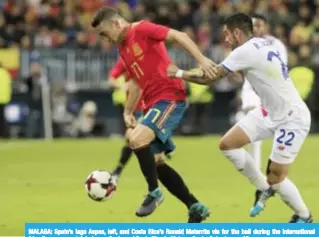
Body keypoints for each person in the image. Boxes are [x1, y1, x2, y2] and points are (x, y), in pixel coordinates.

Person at [167, 13, 313, 223]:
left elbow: (211, 78)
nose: (225, 39)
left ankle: (304, 216)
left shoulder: (244, 51)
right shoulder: (263, 43)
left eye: (227, 34)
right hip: (269, 111)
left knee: (276, 177)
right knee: (228, 144)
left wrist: (178, 73)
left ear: (237, 33)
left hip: (292, 118)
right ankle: (264, 188)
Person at [91, 7, 214, 221]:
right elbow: (137, 82)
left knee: (136, 139)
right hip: (152, 103)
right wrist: (128, 110)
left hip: (169, 96)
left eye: (104, 33)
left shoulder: (142, 29)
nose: (105, 39)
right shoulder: (122, 48)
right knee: (156, 162)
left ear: (116, 24)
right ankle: (195, 207)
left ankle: (154, 193)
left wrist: (202, 59)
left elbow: (179, 35)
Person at [235, 13, 289, 206]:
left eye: (260, 25)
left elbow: (278, 70)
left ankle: (270, 173)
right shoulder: (244, 45)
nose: (257, 29)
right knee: (250, 126)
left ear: (266, 27)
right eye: (253, 26)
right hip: (251, 90)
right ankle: (259, 173)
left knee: (275, 132)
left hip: (271, 91)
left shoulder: (276, 45)